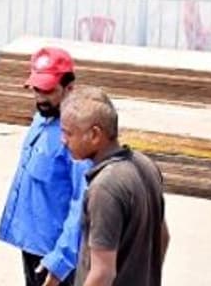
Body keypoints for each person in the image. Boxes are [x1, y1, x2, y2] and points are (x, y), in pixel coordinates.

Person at [60, 87, 170, 286]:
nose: (63, 141)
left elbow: (103, 273)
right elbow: (163, 237)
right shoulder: (145, 164)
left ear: (95, 135)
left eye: (69, 133)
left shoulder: (105, 188)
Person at [0, 47, 88, 286]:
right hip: (33, 245)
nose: (40, 98)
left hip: (57, 254)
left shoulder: (76, 134)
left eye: (48, 91)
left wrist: (60, 260)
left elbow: (82, 202)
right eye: (36, 89)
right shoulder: (42, 119)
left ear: (69, 88)